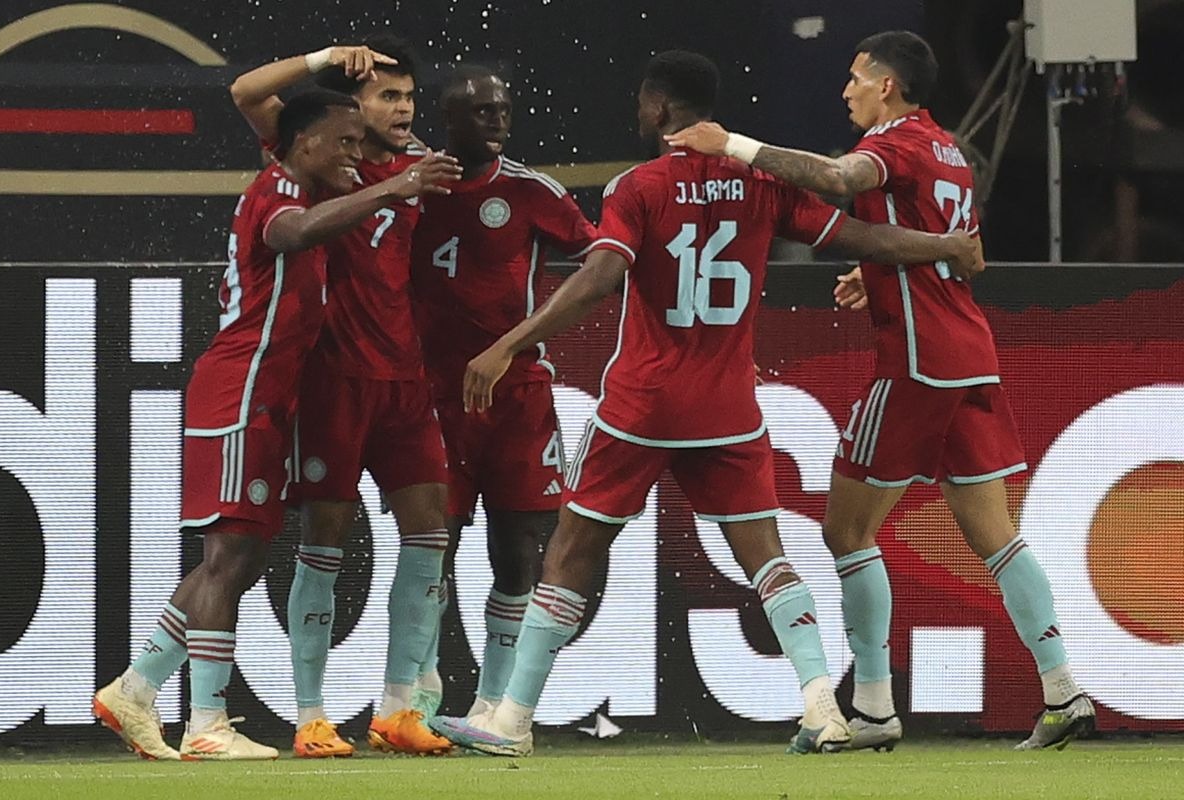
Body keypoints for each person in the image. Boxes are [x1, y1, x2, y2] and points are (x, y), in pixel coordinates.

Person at [430, 49, 982, 758]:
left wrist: (511, 341)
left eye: (641, 103)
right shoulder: (762, 182)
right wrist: (943, 245)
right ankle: (823, 705)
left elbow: (601, 275)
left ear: (660, 108)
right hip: (726, 404)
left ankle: (509, 720)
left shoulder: (639, 185)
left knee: (571, 549)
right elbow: (861, 236)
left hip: (644, 402)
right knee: (768, 558)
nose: (638, 114)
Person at [665, 30, 1095, 752]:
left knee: (845, 530)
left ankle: (870, 707)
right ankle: (1063, 690)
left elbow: (837, 181)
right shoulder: (949, 149)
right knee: (994, 534)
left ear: (887, 86)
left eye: (856, 79)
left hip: (918, 362)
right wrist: (880, 275)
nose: (846, 92)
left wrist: (731, 143)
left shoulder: (895, 146)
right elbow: (967, 252)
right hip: (970, 355)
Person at [91, 90, 460, 761]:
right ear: (304, 142)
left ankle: (136, 687)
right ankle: (206, 722)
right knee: (229, 558)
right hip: (241, 391)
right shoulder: (280, 187)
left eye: (359, 145)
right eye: (344, 143)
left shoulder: (307, 186)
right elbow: (289, 231)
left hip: (266, 398)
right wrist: (394, 186)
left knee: (242, 556)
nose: (354, 155)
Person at [227, 36, 464, 757]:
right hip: (332, 379)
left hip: (403, 381)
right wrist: (326, 59)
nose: (402, 109)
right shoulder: (320, 160)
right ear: (349, 111)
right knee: (323, 541)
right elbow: (246, 91)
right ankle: (310, 716)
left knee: (431, 530)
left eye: (409, 97)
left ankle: (399, 708)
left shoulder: (419, 165)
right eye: (388, 96)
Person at [408, 64, 597, 721]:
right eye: (483, 112)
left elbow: (605, 265)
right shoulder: (408, 186)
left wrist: (514, 343)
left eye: (504, 110)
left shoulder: (530, 191)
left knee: (520, 550)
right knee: (432, 550)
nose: (498, 121)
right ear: (451, 119)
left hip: (516, 397)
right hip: (432, 401)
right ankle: (417, 697)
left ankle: (493, 706)